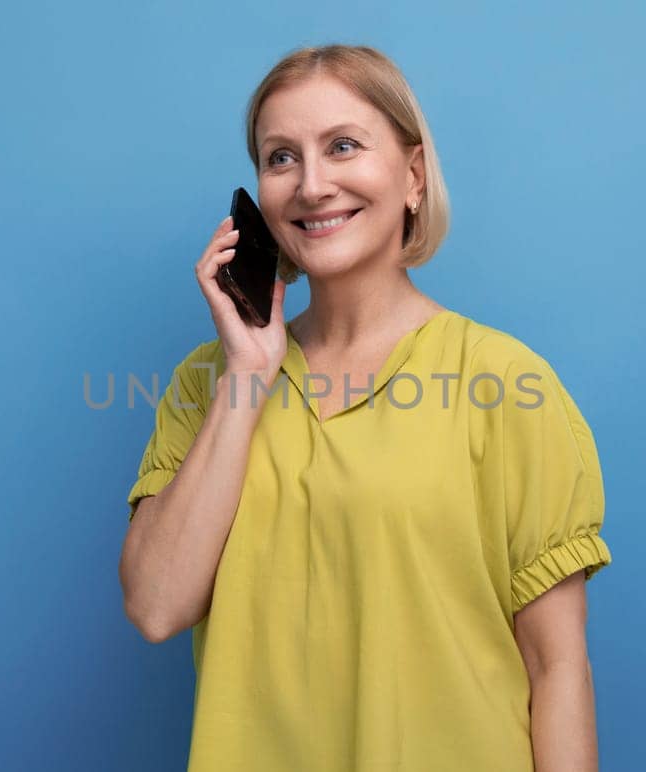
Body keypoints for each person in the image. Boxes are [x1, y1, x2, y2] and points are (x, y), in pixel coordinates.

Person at [118, 44, 612, 772]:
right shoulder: (208, 384)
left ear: (413, 176)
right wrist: (250, 377)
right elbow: (157, 607)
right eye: (281, 158)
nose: (313, 185)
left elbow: (556, 669)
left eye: (343, 146)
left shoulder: (506, 383)